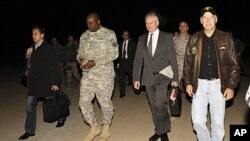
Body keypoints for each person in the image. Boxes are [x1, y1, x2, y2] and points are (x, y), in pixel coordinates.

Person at [183, 6, 240, 141]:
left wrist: (231, 86)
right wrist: (187, 82)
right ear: (201, 21)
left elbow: (235, 65)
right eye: (205, 18)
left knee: (217, 123)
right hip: (199, 85)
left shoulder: (226, 38)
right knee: (197, 122)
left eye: (211, 18)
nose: (208, 21)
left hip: (218, 85)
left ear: (216, 19)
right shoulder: (194, 38)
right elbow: (188, 63)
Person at [133, 11, 179, 141]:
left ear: (157, 23)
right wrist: (136, 78)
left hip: (162, 76)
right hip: (147, 77)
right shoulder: (142, 38)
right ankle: (158, 130)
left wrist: (175, 78)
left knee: (160, 104)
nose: (148, 25)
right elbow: (138, 60)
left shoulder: (167, 36)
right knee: (153, 106)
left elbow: (172, 58)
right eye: (146, 23)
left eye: (151, 22)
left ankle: (164, 130)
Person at [18, 26, 66, 140]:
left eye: (36, 34)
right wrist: (27, 55)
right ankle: (30, 130)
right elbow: (27, 63)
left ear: (42, 35)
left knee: (53, 101)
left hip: (46, 82)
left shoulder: (49, 48)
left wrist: (55, 82)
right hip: (33, 83)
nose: (33, 36)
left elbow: (55, 66)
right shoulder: (32, 47)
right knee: (30, 106)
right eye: (32, 34)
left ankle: (62, 117)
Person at [77, 12, 118, 141]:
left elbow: (114, 53)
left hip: (104, 75)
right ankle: (94, 127)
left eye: (92, 22)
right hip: (88, 75)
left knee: (104, 103)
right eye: (87, 23)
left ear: (98, 21)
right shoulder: (84, 36)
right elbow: (79, 52)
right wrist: (80, 60)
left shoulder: (109, 34)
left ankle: (106, 129)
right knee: (83, 102)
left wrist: (95, 62)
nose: (89, 25)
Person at [118, 30, 139, 98]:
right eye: (124, 35)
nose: (126, 36)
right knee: (120, 78)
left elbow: (136, 53)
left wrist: (136, 63)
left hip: (130, 62)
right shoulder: (120, 43)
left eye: (127, 34)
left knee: (134, 77)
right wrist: (118, 63)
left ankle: (137, 89)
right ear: (122, 36)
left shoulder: (133, 43)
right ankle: (122, 93)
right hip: (122, 63)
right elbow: (119, 54)